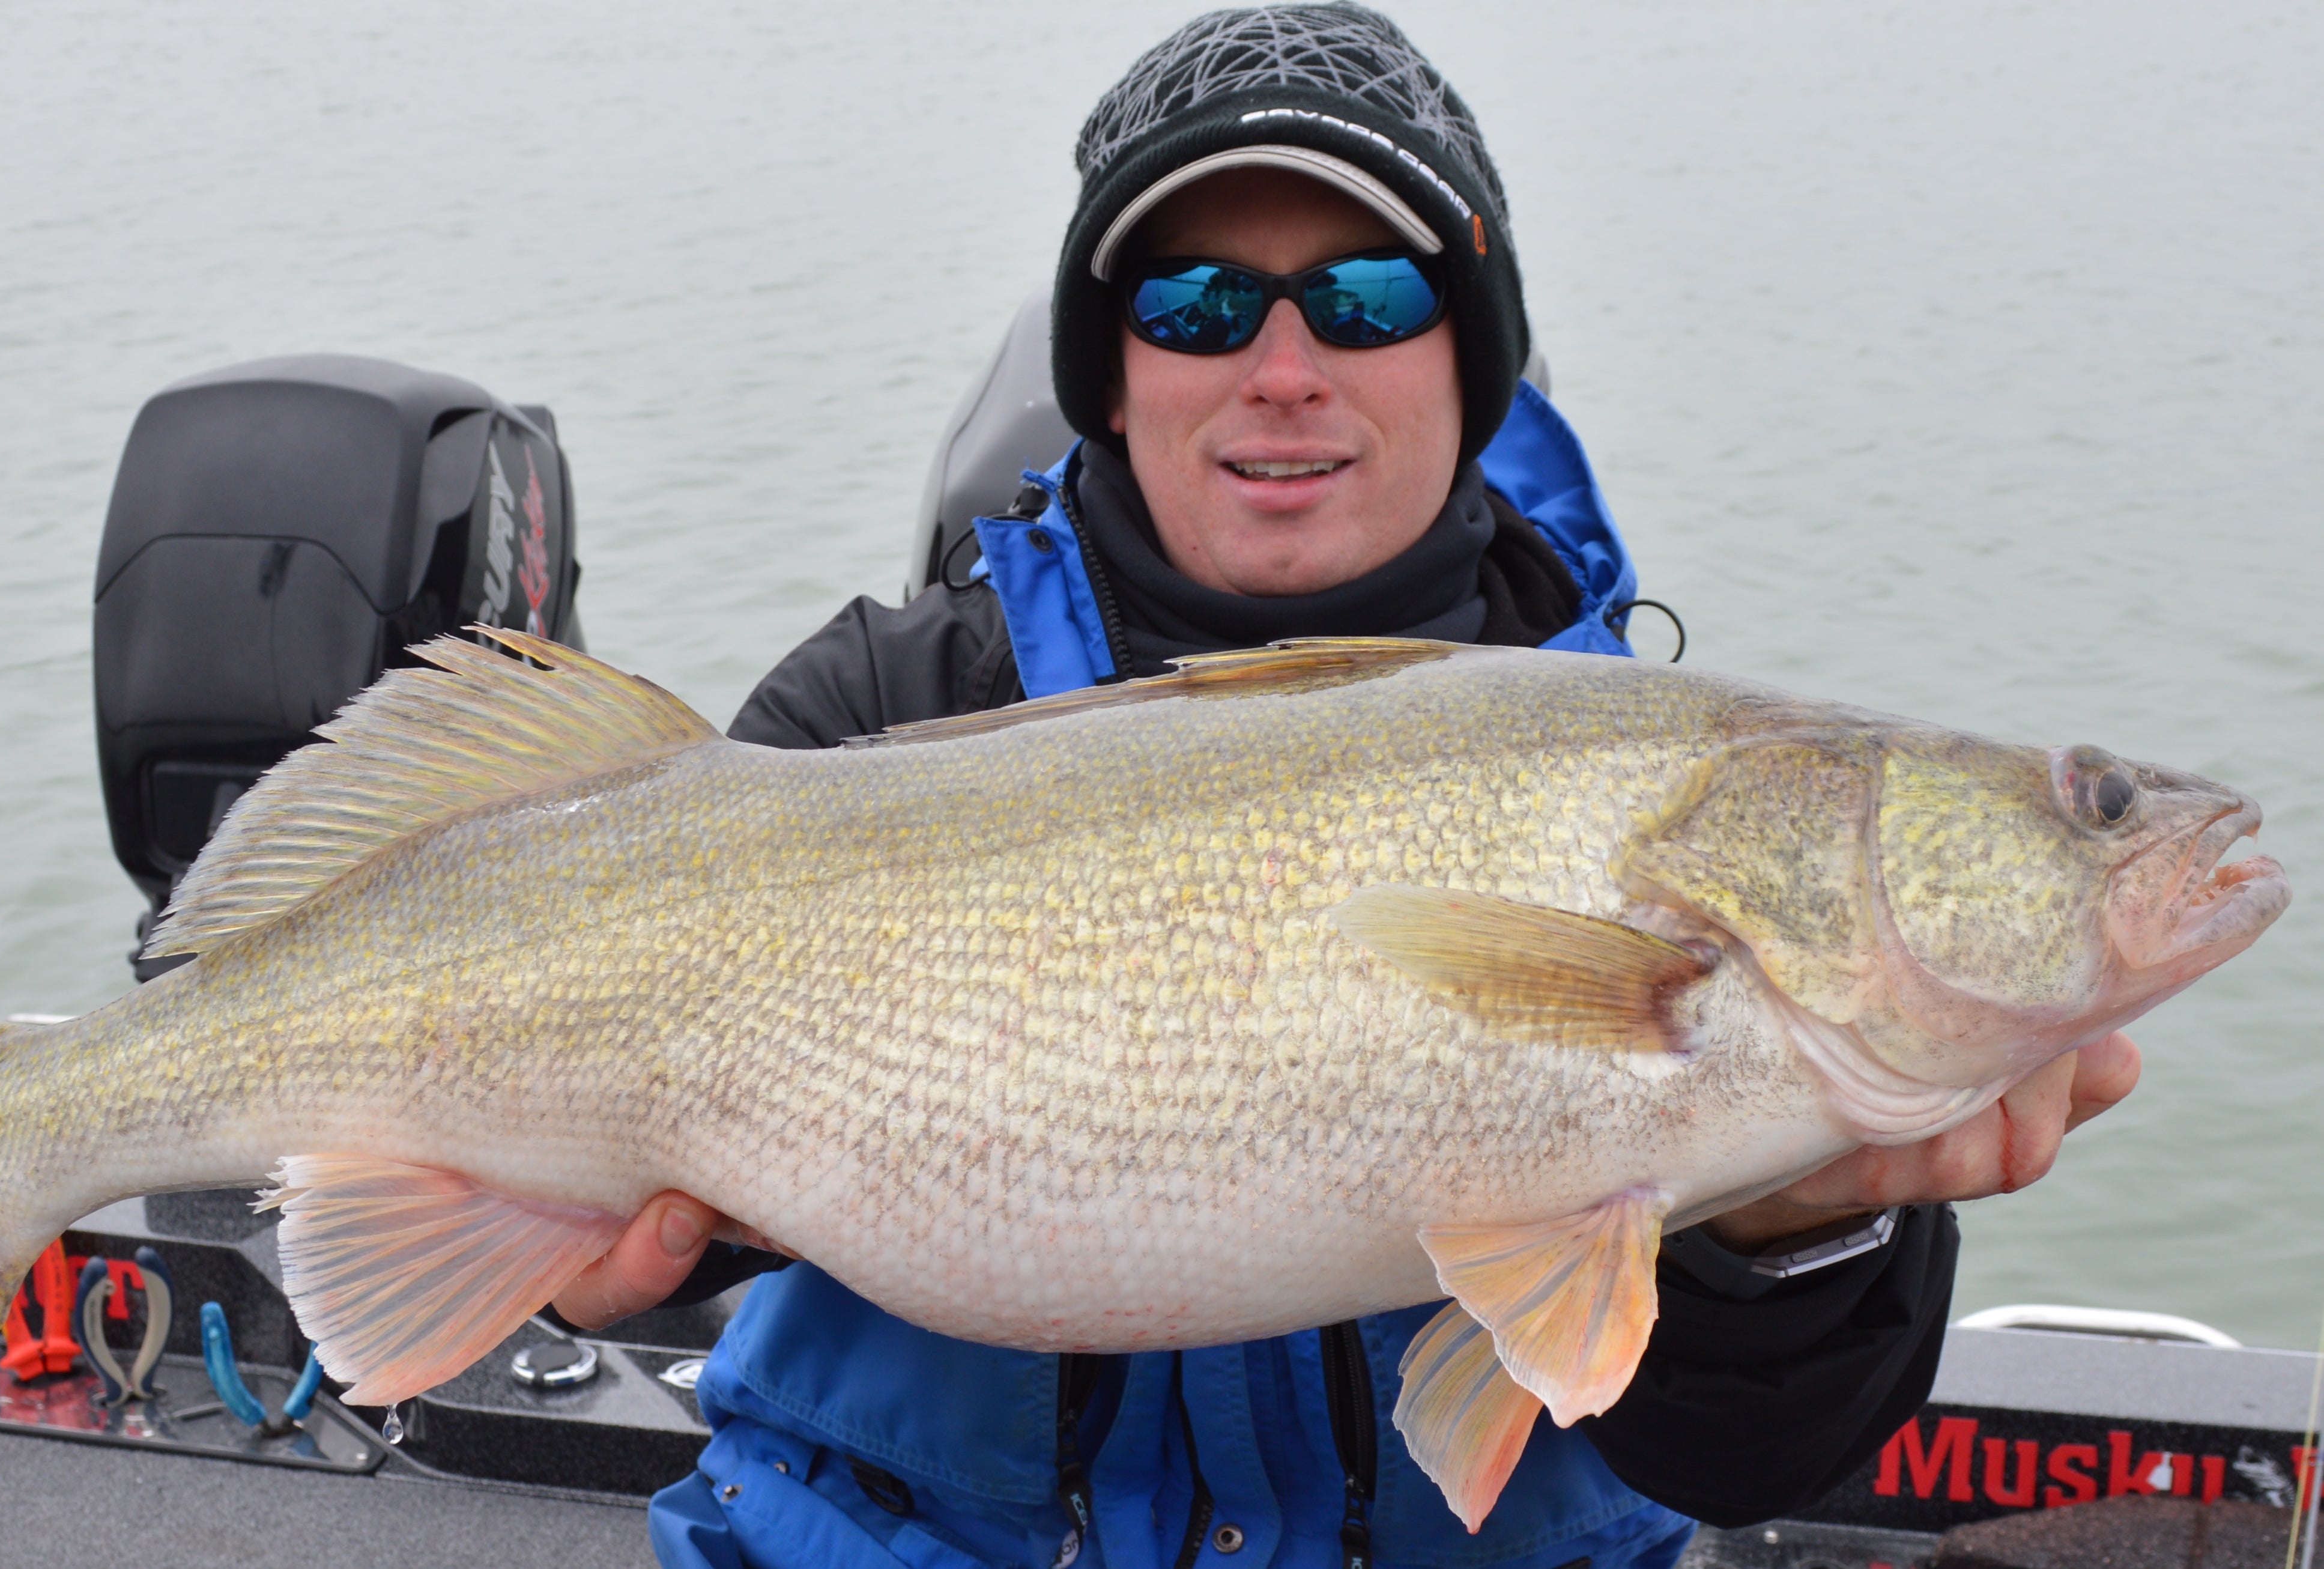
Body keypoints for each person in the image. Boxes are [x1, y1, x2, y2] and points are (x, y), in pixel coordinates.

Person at [549, 8, 2143, 1567]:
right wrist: (545, 1247)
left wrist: (1790, 1236)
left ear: (1477, 364)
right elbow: (590, 1194)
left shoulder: (1654, 779)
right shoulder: (876, 711)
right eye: (1196, 305)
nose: (1286, 367)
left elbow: (1751, 1459)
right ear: (1111, 374)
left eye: (1367, 298)